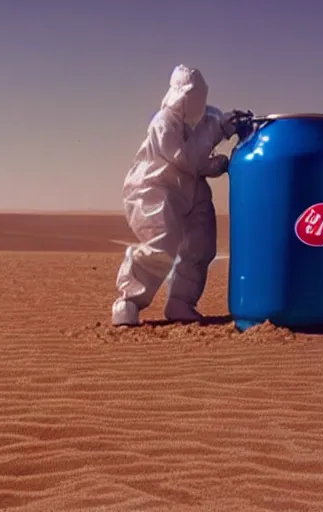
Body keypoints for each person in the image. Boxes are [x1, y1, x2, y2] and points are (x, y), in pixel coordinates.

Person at [112, 64, 237, 326]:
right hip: (154, 187)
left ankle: (181, 301)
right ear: (181, 95)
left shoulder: (209, 119)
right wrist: (219, 136)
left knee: (201, 245)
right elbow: (183, 158)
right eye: (192, 96)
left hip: (192, 190)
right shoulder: (163, 123)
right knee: (162, 241)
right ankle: (128, 301)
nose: (198, 103)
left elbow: (196, 161)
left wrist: (218, 154)